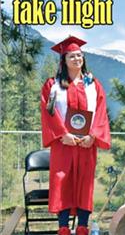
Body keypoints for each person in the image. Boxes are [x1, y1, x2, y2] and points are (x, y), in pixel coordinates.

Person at [40, 36, 111, 235]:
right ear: (64, 60)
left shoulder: (93, 84)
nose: (77, 59)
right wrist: (62, 134)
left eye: (79, 55)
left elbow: (101, 111)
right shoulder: (53, 85)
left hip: (87, 143)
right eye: (72, 56)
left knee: (85, 181)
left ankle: (82, 226)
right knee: (62, 181)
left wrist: (94, 136)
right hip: (63, 143)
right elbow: (48, 112)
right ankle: (63, 227)